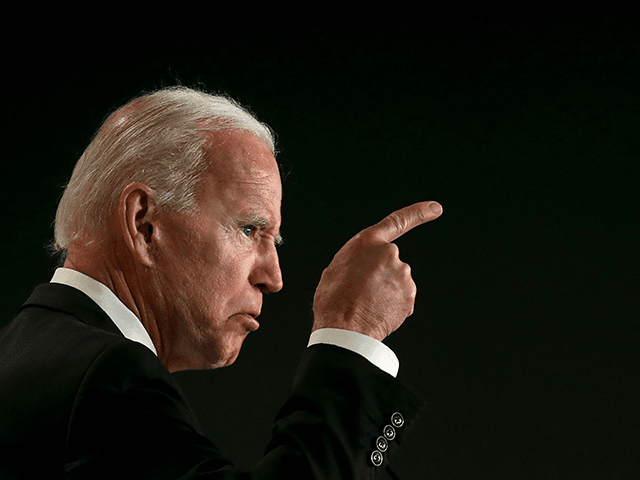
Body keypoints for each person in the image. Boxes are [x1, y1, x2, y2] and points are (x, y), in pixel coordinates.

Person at [0, 86, 443, 479]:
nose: (273, 278)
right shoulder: (106, 377)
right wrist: (352, 330)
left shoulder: (25, 351)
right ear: (144, 224)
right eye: (251, 229)